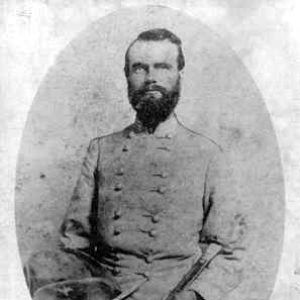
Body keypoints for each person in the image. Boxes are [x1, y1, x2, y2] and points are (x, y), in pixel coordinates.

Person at [24, 28, 247, 300]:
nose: (151, 78)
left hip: (174, 294)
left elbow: (230, 251)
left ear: (179, 75)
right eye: (139, 68)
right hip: (106, 292)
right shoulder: (101, 149)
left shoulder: (208, 154)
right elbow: (75, 243)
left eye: (163, 67)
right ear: (127, 77)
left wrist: (193, 297)